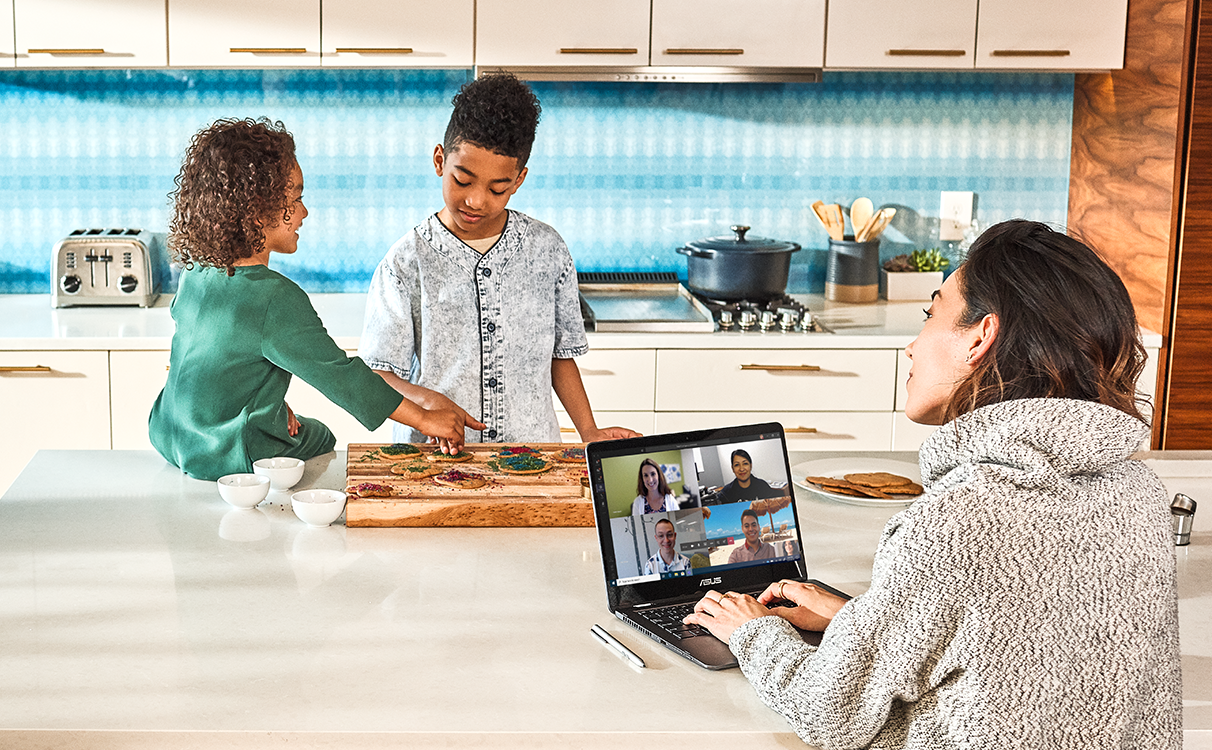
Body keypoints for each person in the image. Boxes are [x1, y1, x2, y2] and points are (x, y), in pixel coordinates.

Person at [685, 219, 1179, 748]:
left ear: (981, 337)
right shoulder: (1139, 491)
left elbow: (827, 711)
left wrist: (753, 633)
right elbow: (1023, 648)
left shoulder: (955, 523)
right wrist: (863, 623)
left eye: (930, 314)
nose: (912, 348)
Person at [148, 118, 481, 481]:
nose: (304, 213)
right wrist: (426, 418)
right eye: (297, 199)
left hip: (169, 432)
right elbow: (341, 377)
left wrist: (264, 403)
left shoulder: (198, 272)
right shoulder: (274, 297)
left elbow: (208, 360)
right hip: (226, 452)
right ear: (257, 210)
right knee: (321, 435)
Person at [358, 73, 639, 445]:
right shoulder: (405, 263)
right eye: (463, 180)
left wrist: (589, 430)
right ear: (440, 160)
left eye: (497, 188)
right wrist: (430, 403)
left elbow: (559, 357)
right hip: (437, 463)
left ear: (519, 179)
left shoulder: (548, 250)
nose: (476, 200)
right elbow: (376, 375)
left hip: (533, 456)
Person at [713, 449, 788, 504]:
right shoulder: (726, 493)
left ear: (750, 466)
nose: (741, 469)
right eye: (737, 465)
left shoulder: (762, 486)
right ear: (732, 469)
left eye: (745, 463)